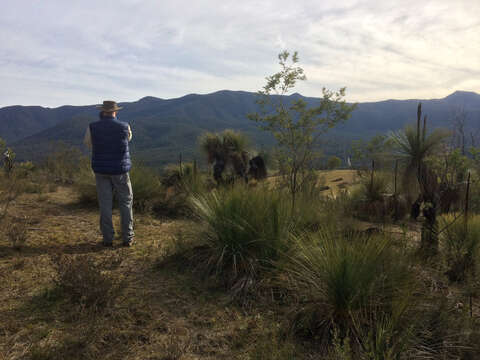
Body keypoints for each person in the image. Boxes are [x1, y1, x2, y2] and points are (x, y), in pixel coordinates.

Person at [84, 100, 135, 247]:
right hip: (120, 170)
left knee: (105, 204)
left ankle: (108, 238)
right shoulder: (125, 126)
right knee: (125, 203)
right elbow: (128, 139)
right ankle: (127, 237)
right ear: (115, 111)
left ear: (102, 111)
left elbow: (88, 144)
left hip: (101, 170)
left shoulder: (92, 127)